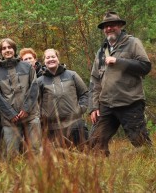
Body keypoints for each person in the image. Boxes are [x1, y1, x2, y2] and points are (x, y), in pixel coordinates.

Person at [89, 11, 152, 156]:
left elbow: (145, 67)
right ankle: (101, 174)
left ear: (120, 26)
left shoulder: (132, 43)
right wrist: (93, 106)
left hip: (130, 102)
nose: (109, 28)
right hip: (106, 104)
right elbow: (95, 80)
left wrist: (119, 61)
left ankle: (150, 172)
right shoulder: (101, 51)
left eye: (112, 25)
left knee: (141, 143)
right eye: (106, 26)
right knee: (95, 143)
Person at [0, 38, 42, 157]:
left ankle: (38, 175)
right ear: (0, 52)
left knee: (35, 149)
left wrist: (26, 109)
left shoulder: (27, 67)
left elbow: (34, 88)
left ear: (14, 49)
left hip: (31, 115)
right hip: (10, 120)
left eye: (9, 47)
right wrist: (10, 114)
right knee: (12, 153)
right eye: (4, 48)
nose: (7, 50)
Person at [38, 49, 89, 150]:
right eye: (47, 58)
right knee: (60, 160)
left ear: (58, 58)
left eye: (53, 57)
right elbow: (35, 103)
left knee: (83, 158)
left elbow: (85, 93)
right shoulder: (39, 81)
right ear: (44, 61)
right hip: (52, 128)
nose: (51, 59)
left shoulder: (72, 75)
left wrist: (80, 109)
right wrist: (42, 115)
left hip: (75, 125)